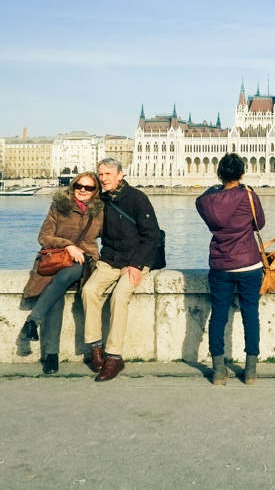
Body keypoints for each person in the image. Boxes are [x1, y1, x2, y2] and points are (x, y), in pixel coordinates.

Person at [81, 157, 163, 382]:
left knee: (119, 296)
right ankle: (95, 348)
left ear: (120, 174)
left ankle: (114, 356)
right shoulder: (101, 200)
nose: (103, 178)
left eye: (107, 174)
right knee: (89, 291)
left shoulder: (137, 199)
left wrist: (136, 265)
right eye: (100, 174)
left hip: (135, 259)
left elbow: (152, 236)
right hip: (110, 259)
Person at [22, 172, 103, 374]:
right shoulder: (59, 207)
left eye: (89, 187)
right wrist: (67, 246)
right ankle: (52, 355)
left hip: (85, 261)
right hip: (56, 259)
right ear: (73, 187)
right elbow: (44, 236)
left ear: (95, 192)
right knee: (55, 297)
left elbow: (114, 237)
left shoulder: (101, 212)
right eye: (79, 186)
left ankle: (33, 320)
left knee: (66, 275)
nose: (83, 190)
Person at [195, 153, 265, 385]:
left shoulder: (207, 200)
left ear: (219, 174)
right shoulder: (248, 195)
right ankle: (251, 371)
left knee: (218, 317)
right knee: (250, 316)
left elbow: (200, 200)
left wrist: (217, 186)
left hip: (221, 265)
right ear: (242, 173)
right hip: (249, 264)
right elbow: (260, 224)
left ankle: (217, 371)